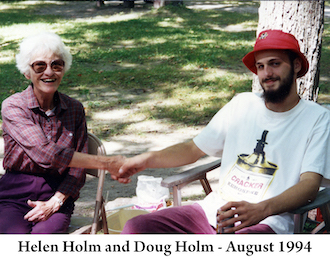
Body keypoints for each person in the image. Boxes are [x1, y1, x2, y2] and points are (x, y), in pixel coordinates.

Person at [116, 30, 330, 234]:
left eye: (275, 64)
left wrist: (261, 210)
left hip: (267, 221)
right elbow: (193, 149)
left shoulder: (317, 119)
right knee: (138, 228)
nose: (267, 73)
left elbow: (310, 184)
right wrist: (144, 160)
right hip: (214, 211)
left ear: (296, 65)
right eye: (261, 66)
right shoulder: (242, 103)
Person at [0, 32, 125, 234]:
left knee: (45, 240)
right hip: (15, 194)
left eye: (56, 65)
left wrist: (55, 201)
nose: (49, 72)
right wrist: (105, 163)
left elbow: (77, 171)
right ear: (26, 72)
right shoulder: (14, 107)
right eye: (39, 66)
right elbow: (45, 154)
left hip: (57, 193)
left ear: (63, 69)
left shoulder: (74, 109)